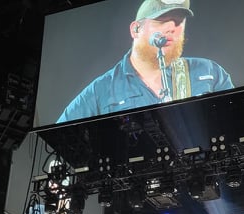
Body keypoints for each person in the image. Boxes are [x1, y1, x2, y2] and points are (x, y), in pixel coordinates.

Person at [57, 0, 234, 123]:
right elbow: (62, 140)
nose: (171, 28)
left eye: (179, 22)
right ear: (136, 29)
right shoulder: (101, 90)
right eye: (161, 21)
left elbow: (239, 122)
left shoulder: (209, 72)